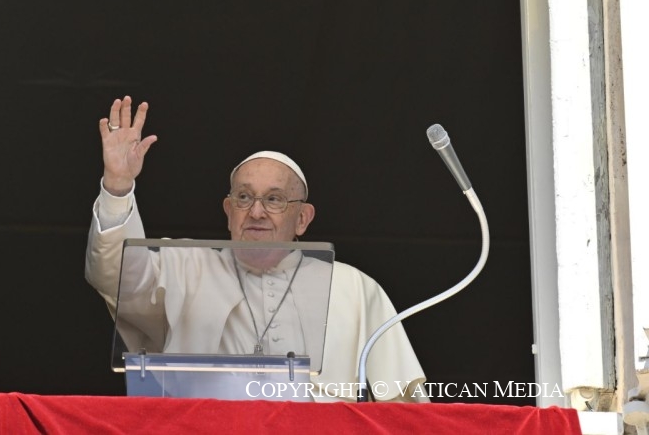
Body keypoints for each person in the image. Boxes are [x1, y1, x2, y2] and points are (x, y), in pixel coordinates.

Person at [85, 96, 427, 402]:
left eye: (275, 199)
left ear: (303, 219)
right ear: (228, 210)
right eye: (244, 197)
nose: (257, 211)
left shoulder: (354, 287)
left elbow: (401, 406)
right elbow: (115, 277)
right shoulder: (184, 266)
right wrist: (117, 186)